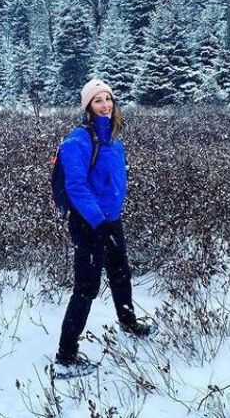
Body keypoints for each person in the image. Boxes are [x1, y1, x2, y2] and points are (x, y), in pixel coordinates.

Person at [55, 78, 152, 371]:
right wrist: (97, 221)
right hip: (89, 224)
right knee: (86, 287)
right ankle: (66, 355)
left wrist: (111, 215)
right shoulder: (77, 141)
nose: (105, 104)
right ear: (88, 106)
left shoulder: (113, 137)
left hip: (111, 220)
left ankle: (128, 322)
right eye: (98, 100)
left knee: (121, 273)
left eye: (108, 98)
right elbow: (75, 185)